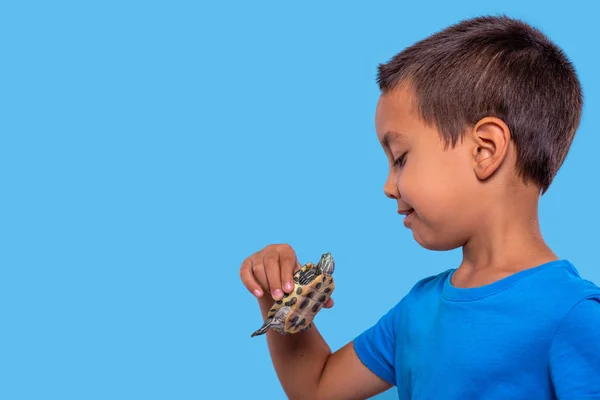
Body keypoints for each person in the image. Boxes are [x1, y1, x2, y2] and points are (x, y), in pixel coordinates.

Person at [239, 14, 600, 400]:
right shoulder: (417, 310)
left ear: (485, 149)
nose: (388, 186)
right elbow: (316, 387)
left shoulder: (576, 317)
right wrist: (276, 295)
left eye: (400, 158)